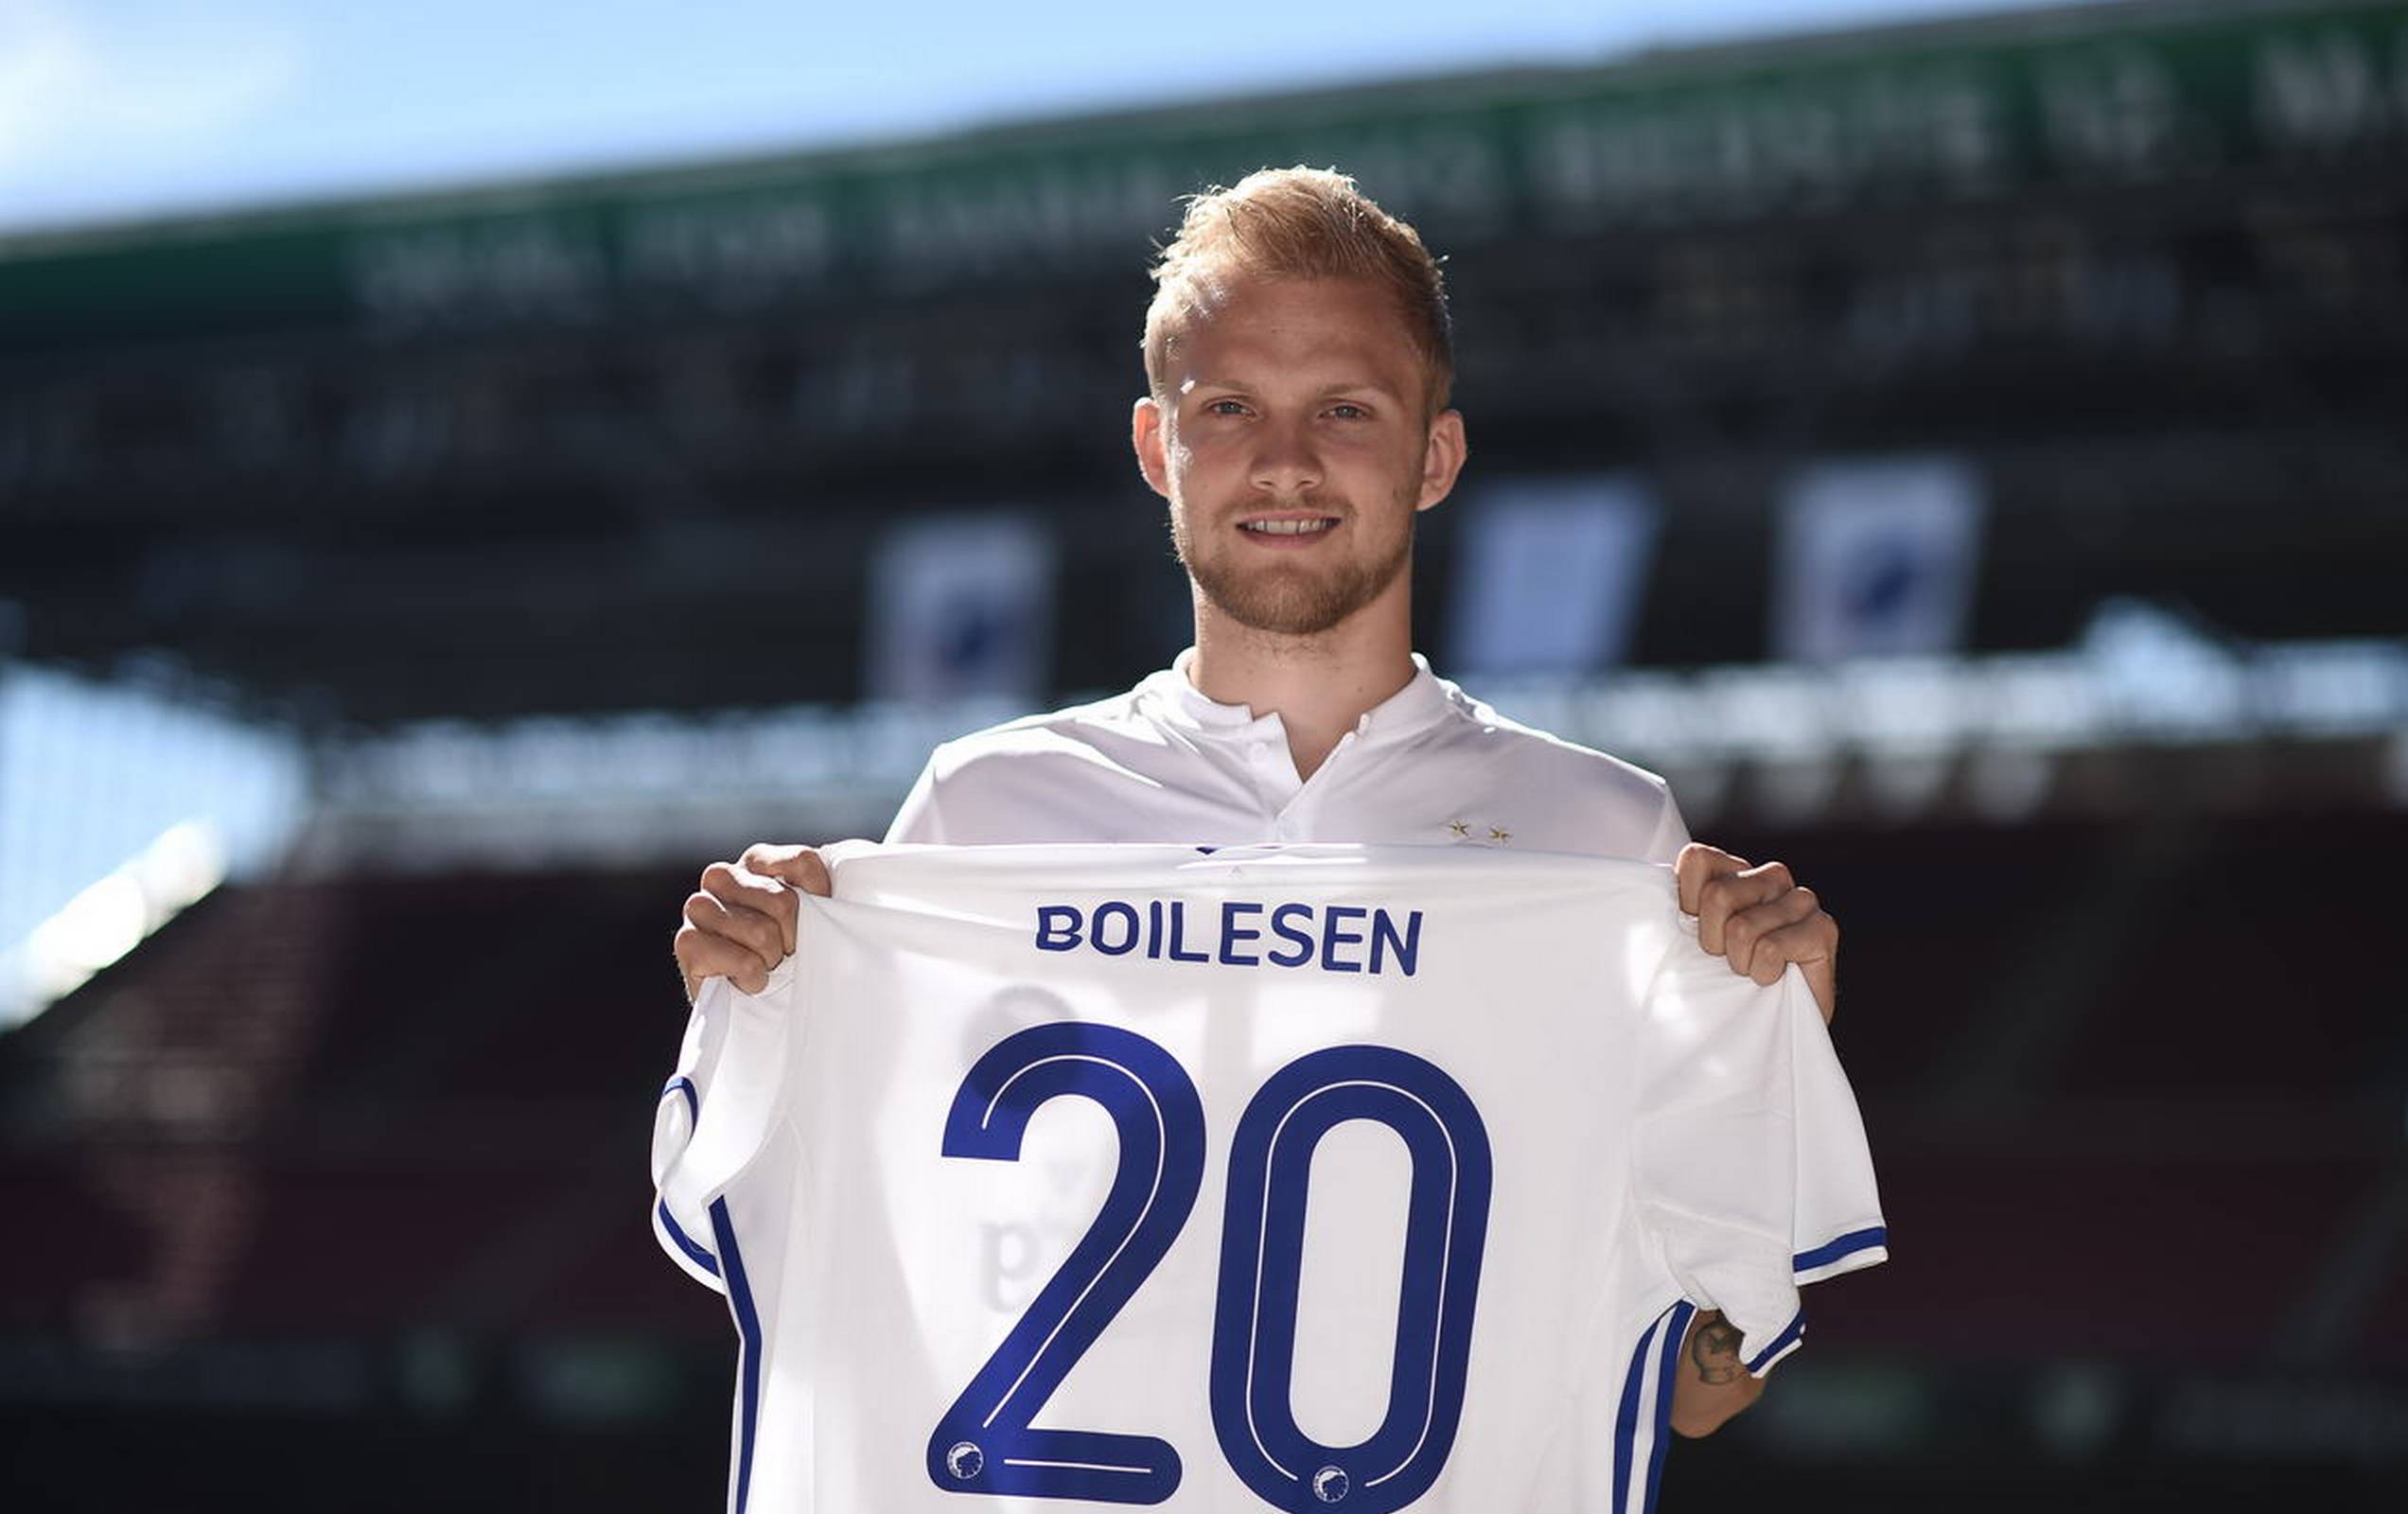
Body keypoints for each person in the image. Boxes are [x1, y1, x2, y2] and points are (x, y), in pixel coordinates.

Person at [672, 166, 1846, 1440]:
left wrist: (1771, 1063)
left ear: (1434, 454)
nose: (1285, 464)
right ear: (1154, 446)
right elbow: (869, 1276)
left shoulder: (1603, 839)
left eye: (1345, 409)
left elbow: (1684, 1394)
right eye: (1228, 407)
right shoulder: (987, 812)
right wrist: (774, 1011)